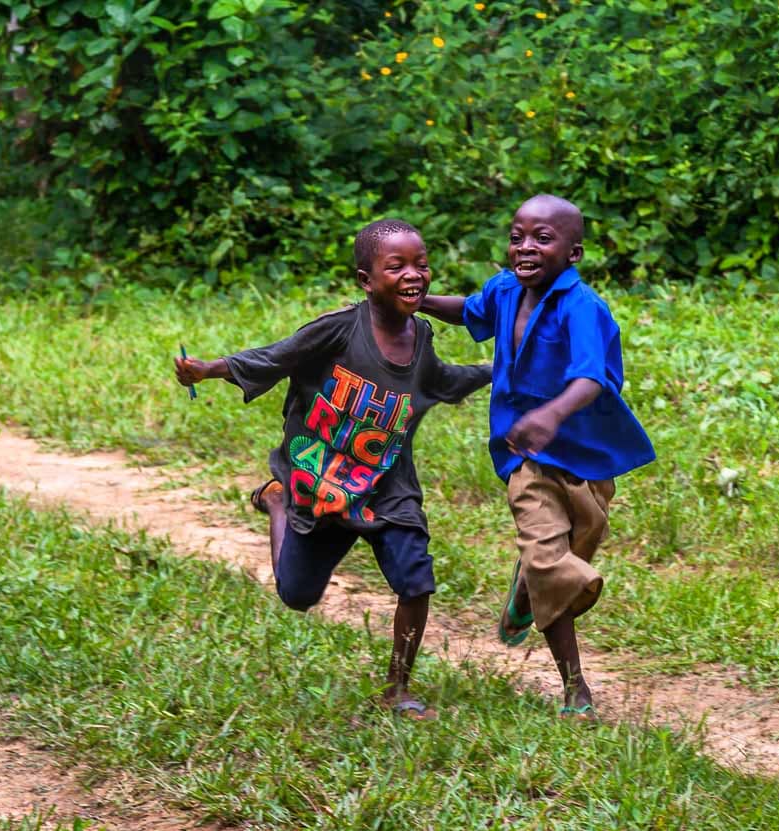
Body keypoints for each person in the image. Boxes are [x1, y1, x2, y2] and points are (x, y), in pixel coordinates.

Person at [173, 219, 491, 720]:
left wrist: (498, 371)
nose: (415, 275)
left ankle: (398, 688)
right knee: (298, 594)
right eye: (397, 266)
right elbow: (275, 358)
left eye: (422, 264)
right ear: (366, 281)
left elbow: (440, 380)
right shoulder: (340, 329)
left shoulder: (421, 335)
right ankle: (277, 500)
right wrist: (209, 369)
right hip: (323, 481)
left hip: (387, 485)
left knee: (416, 581)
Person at [420, 194, 655, 721]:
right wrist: (414, 300)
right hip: (523, 455)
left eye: (542, 238)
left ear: (573, 253)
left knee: (566, 556)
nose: (524, 247)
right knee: (555, 568)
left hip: (588, 461)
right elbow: (470, 311)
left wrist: (553, 414)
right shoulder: (505, 291)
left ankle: (528, 585)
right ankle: (576, 688)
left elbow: (592, 376)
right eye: (517, 235)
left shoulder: (582, 307)